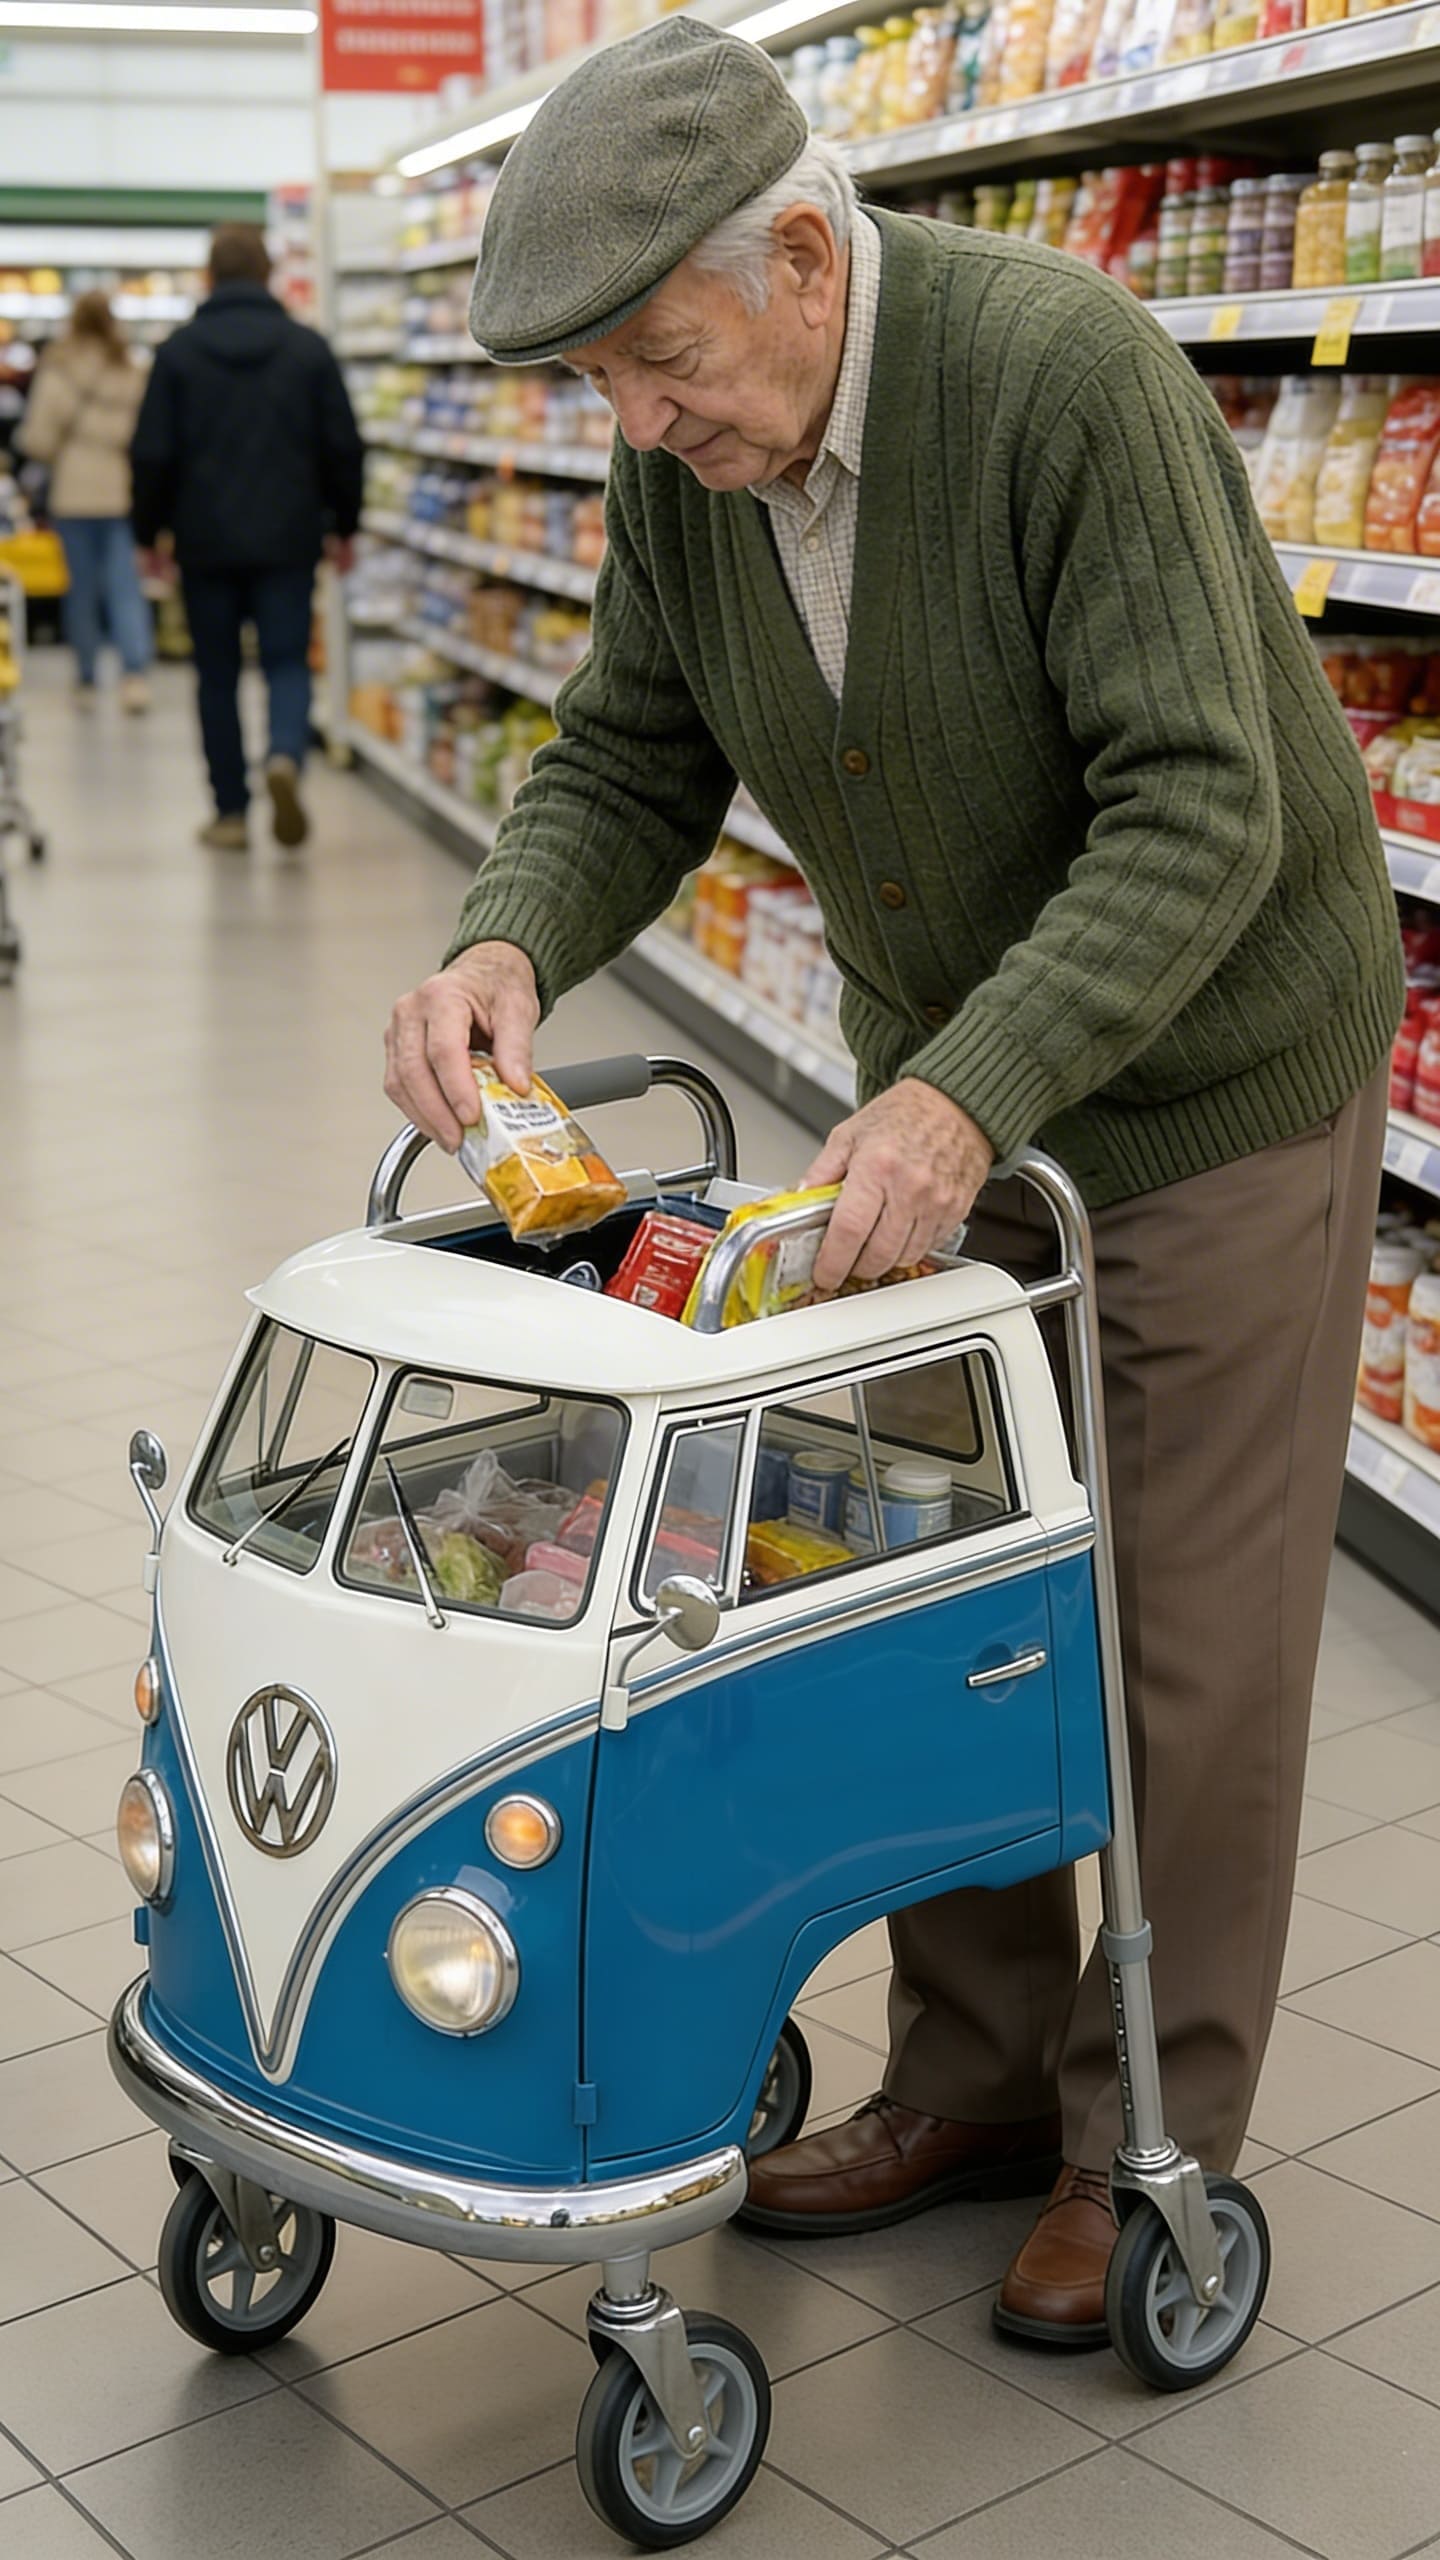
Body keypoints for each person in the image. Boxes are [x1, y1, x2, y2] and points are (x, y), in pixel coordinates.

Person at [382, 22, 1402, 2347]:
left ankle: (1145, 2126)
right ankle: (958, 2073)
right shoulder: (688, 459)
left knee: (1167, 1638)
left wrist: (964, 1099)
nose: (644, 422)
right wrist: (504, 936)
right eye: (608, 384)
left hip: (1208, 1079)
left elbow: (1197, 812)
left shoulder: (1066, 380)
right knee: (925, 1577)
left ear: (811, 262)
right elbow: (633, 738)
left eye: (665, 357)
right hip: (944, 1092)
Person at [130, 223, 363, 851]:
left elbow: (151, 453)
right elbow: (343, 445)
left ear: (209, 278)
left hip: (204, 541)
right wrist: (346, 524)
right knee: (287, 660)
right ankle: (285, 754)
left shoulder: (177, 354)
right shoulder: (307, 349)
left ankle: (230, 812)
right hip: (289, 537)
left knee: (216, 676)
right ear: (268, 276)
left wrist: (147, 533)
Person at [18, 290, 152, 711]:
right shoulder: (129, 369)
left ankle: (87, 677)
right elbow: (146, 435)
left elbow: (37, 437)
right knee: (125, 588)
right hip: (119, 490)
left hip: (73, 492)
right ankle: (135, 675)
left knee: (81, 590)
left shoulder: (60, 369)